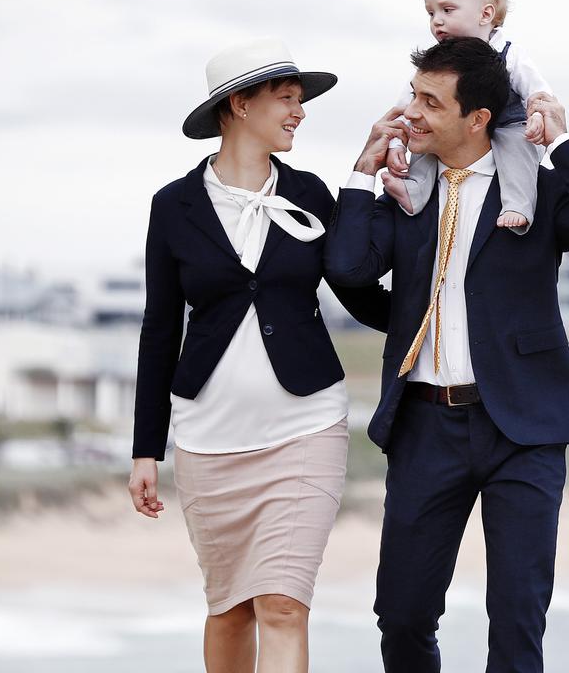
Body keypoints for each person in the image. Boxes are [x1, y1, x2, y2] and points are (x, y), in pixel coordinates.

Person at [325, 36, 569, 673]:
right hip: (425, 426)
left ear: (478, 120)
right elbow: (349, 268)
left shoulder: (537, 195)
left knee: (517, 618)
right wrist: (363, 168)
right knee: (403, 615)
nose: (412, 111)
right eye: (413, 94)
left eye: (429, 102)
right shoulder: (404, 190)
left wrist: (563, 143)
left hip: (523, 427)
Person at [126, 38, 390, 673]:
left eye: (301, 102)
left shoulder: (309, 192)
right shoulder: (173, 206)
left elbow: (359, 294)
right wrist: (145, 448)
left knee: (281, 603)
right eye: (287, 100)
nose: (300, 113)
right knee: (230, 608)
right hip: (208, 438)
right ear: (239, 106)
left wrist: (443, 313)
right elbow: (160, 327)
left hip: (305, 426)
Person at [381, 0, 550, 234]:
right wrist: (397, 145)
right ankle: (414, 191)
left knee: (518, 147)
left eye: (447, 10)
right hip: (453, 134)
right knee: (426, 138)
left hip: (507, 124)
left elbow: (538, 91)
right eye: (431, 13)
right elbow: (405, 108)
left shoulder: (510, 54)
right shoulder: (435, 63)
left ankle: (518, 203)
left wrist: (538, 117)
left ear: (485, 14)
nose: (437, 21)